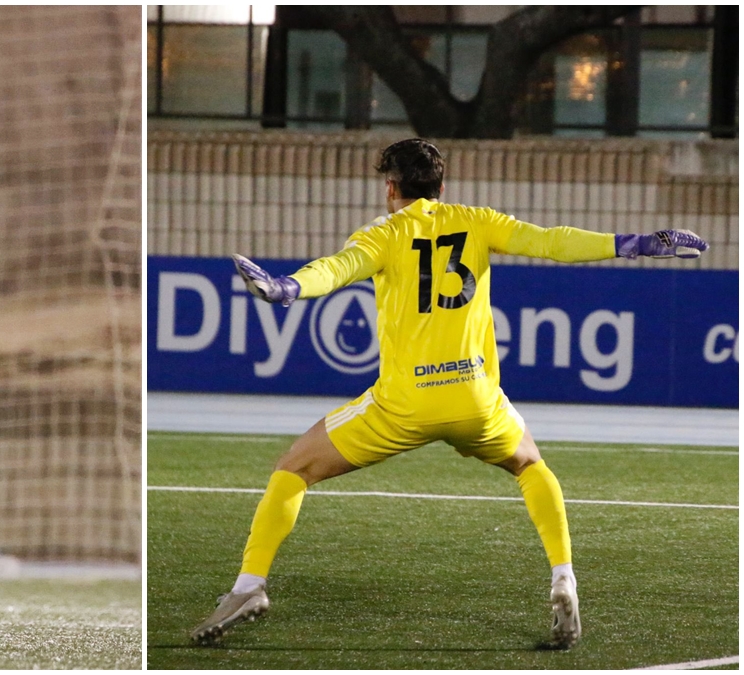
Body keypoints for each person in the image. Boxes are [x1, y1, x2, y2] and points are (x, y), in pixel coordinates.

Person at [193, 138, 708, 648]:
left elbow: (335, 269)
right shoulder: (478, 220)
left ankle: (249, 586)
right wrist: (632, 243)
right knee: (531, 466)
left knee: (293, 469)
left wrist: (287, 288)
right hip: (475, 399)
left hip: (405, 405)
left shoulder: (382, 234)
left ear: (390, 187)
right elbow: (553, 241)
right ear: (442, 186)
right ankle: (563, 578)